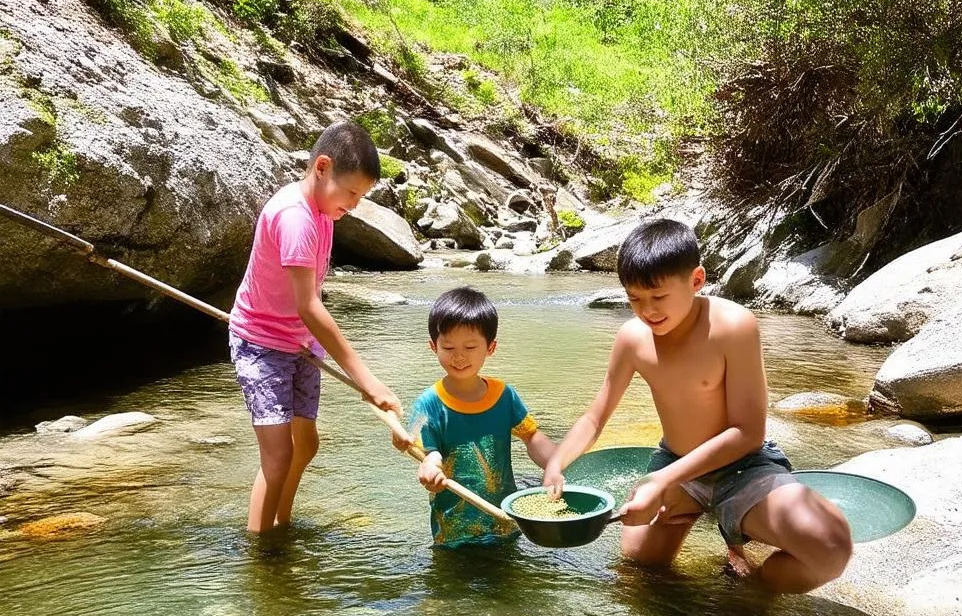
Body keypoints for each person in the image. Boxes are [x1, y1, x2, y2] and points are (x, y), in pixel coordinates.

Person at [543, 219, 852, 592]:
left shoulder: (733, 326)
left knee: (831, 546)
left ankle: (754, 586)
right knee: (640, 569)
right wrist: (558, 463)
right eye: (634, 299)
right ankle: (722, 530)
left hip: (743, 467)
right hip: (676, 463)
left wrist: (659, 481)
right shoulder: (632, 338)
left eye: (658, 298)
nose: (647, 311)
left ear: (696, 280)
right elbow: (596, 416)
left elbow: (748, 433)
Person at [229, 120, 403, 533]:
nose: (355, 205)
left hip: (300, 345)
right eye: (352, 193)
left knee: (305, 444)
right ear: (321, 167)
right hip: (262, 344)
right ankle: (262, 546)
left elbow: (308, 304)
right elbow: (308, 305)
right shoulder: (295, 217)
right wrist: (367, 381)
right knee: (278, 456)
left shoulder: (325, 211)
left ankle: (280, 525)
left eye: (362, 197)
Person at [407, 286, 556, 548]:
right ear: (433, 347)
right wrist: (430, 468)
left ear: (491, 347)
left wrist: (558, 466)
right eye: (449, 346)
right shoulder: (428, 403)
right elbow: (429, 453)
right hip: (453, 529)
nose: (459, 356)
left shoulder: (504, 395)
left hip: (505, 522)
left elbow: (531, 437)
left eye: (471, 346)